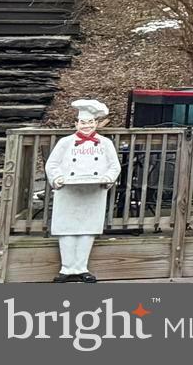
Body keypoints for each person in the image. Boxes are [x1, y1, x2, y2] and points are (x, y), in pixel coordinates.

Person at [44, 98, 119, 282]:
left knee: (87, 228)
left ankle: (81, 267)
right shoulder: (65, 142)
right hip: (68, 192)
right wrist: (57, 178)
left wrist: (108, 179)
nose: (86, 126)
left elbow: (114, 166)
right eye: (83, 122)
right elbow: (52, 164)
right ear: (76, 123)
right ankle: (67, 268)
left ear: (96, 123)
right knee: (66, 228)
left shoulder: (105, 143)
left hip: (94, 192)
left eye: (90, 122)